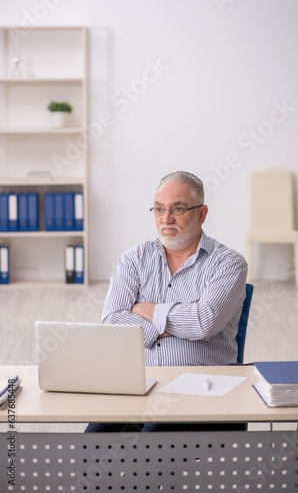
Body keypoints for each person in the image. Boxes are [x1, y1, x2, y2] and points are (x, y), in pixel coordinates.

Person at [85, 171, 248, 432]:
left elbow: (204, 323)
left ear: (201, 214)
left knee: (151, 445)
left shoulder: (229, 264)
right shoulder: (134, 259)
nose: (166, 219)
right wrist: (183, 318)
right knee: (92, 443)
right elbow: (112, 323)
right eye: (159, 209)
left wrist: (147, 310)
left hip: (203, 388)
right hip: (138, 385)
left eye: (178, 209)